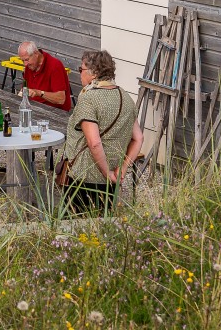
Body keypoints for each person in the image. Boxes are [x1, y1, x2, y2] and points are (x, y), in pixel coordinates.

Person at [62, 49, 143, 215]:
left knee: (75, 229)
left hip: (84, 177)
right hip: (112, 177)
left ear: (94, 73)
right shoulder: (125, 97)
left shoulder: (89, 99)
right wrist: (122, 169)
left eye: (81, 69)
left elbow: (94, 142)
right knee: (102, 227)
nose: (79, 74)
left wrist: (106, 173)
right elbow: (139, 138)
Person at [18, 40, 73, 112]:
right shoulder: (30, 66)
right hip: (34, 108)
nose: (25, 64)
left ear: (36, 54)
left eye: (27, 60)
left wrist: (39, 93)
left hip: (55, 113)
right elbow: (25, 89)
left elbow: (61, 99)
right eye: (23, 61)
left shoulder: (55, 66)